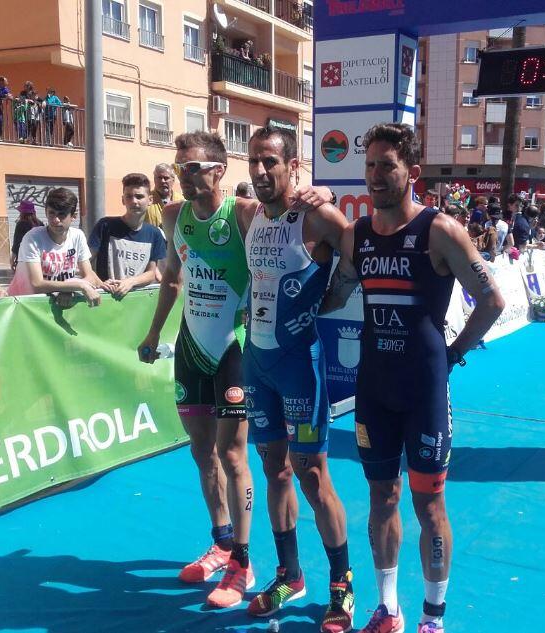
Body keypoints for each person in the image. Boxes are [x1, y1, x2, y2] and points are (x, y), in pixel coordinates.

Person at [320, 123, 505, 633]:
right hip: (374, 392)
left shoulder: (440, 231)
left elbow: (493, 300)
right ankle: (388, 608)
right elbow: (337, 293)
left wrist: (454, 354)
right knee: (382, 498)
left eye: (387, 166)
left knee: (429, 505)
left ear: (413, 174)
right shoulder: (357, 236)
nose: (375, 176)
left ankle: (433, 617)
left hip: (424, 392)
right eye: (371, 165)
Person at [137, 131, 330, 609]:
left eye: (191, 167)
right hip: (190, 346)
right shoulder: (174, 216)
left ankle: (244, 561)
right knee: (201, 453)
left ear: (218, 171)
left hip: (236, 348)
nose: (181, 175)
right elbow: (172, 279)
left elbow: (295, 218)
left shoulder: (243, 214)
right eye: (178, 166)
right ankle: (222, 542)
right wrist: (152, 333)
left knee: (233, 455)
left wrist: (320, 193)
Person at [241, 126, 354, 631]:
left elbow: (357, 244)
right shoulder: (246, 214)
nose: (262, 171)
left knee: (312, 475)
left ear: (291, 164)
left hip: (299, 368)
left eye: (271, 162)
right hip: (257, 364)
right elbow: (194, 204)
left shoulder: (316, 216)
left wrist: (336, 295)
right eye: (255, 162)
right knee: (274, 471)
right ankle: (290, 574)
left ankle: (341, 584)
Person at [7, 188, 103, 305]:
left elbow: (89, 276)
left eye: (62, 214)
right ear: (46, 212)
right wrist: (76, 285)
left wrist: (69, 289)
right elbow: (37, 284)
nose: (55, 220)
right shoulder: (33, 237)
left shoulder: (78, 236)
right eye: (51, 213)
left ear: (73, 216)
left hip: (53, 304)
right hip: (25, 305)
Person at [88, 173, 166, 297]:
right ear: (123, 200)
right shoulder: (105, 225)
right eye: (129, 196)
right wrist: (99, 283)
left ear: (150, 200)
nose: (134, 201)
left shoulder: (154, 234)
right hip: (106, 298)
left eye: (139, 196)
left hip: (135, 303)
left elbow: (151, 273)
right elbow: (85, 263)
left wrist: (130, 282)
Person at [10, 200, 44, 271]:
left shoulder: (21, 224)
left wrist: (12, 260)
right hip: (39, 260)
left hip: (24, 260)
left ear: (22, 212)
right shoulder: (40, 224)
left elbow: (17, 244)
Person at [146, 163, 182, 228]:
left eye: (166, 178)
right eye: (159, 178)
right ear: (154, 179)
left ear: (173, 180)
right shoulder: (146, 200)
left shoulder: (181, 201)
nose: (162, 181)